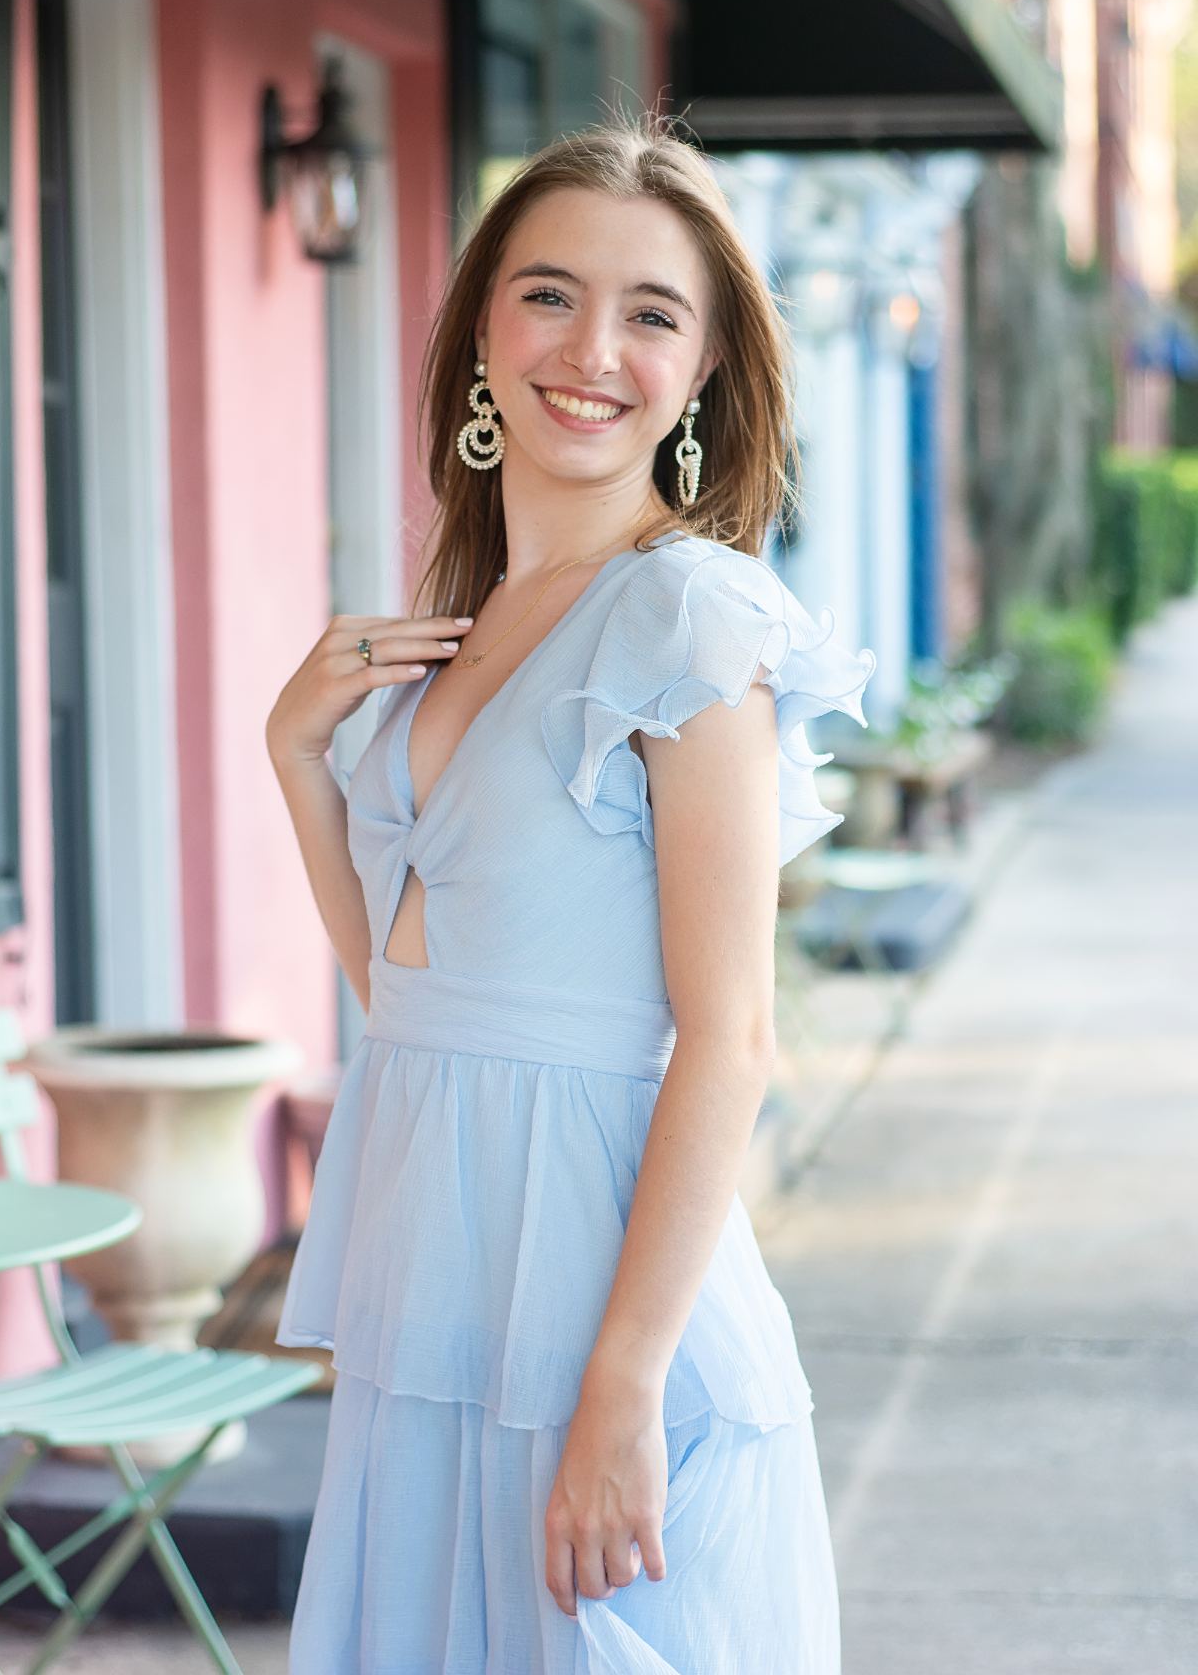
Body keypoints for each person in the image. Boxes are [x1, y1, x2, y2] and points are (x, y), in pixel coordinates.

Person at [266, 107, 876, 1674]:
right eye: (548, 293)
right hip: (437, 1313)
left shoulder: (689, 620)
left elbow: (730, 1038)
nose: (590, 347)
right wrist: (296, 761)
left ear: (706, 369)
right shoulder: (461, 629)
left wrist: (622, 1382)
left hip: (601, 1329)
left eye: (651, 312)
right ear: (481, 324)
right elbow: (408, 1013)